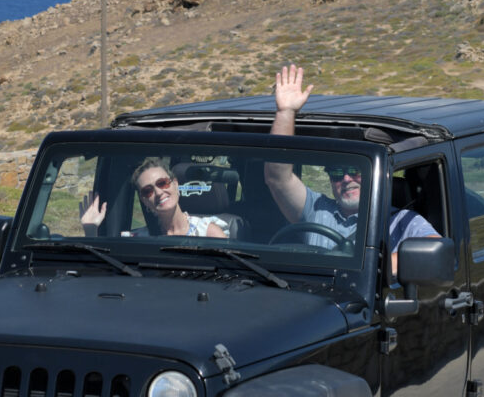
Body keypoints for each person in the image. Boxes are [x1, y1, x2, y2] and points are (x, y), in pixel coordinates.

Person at [264, 65, 437, 260]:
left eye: (355, 170)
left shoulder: (400, 220)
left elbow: (434, 248)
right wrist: (285, 112)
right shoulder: (316, 209)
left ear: (374, 175)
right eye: (337, 173)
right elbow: (277, 177)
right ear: (330, 180)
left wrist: (382, 269)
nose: (346, 179)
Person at [79, 157, 228, 239]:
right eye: (148, 191)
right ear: (144, 201)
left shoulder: (208, 233)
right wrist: (91, 231)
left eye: (162, 183)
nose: (158, 192)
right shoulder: (138, 239)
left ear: (175, 184)